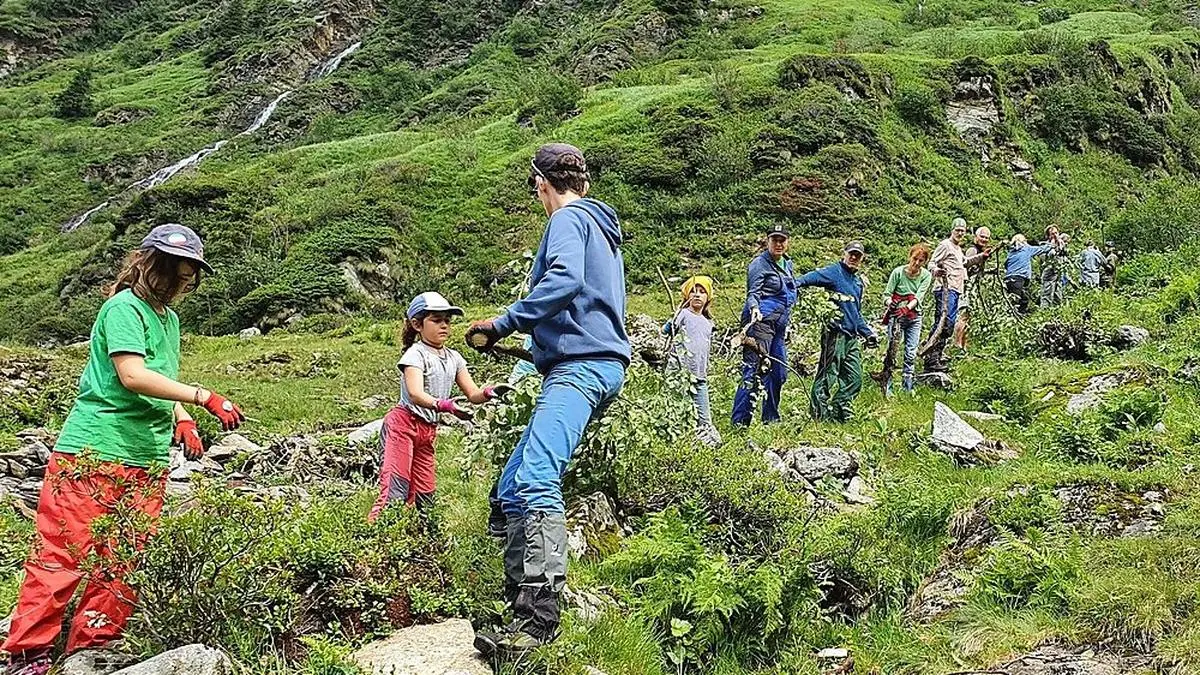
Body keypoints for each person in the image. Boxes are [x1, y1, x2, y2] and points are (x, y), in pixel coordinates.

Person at [3, 225, 246, 675]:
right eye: (177, 271)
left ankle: (93, 649)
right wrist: (203, 396)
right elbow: (132, 375)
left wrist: (184, 418)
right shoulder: (123, 308)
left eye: (189, 275)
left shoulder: (168, 320)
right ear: (151, 264)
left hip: (146, 456)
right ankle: (26, 654)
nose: (183, 283)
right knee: (64, 553)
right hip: (94, 451)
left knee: (123, 558)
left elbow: (160, 375)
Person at [468, 143, 630, 656]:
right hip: (600, 366)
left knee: (536, 479)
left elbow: (564, 281)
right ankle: (519, 600)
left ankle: (536, 626)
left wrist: (503, 323)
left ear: (541, 183)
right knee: (513, 486)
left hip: (578, 370)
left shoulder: (567, 220)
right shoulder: (602, 228)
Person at [369, 292, 509, 521]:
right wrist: (444, 405)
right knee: (396, 488)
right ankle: (375, 539)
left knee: (426, 495)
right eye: (436, 320)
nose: (444, 326)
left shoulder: (454, 358)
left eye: (447, 320)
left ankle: (426, 541)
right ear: (417, 324)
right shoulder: (415, 354)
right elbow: (415, 393)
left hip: (427, 430)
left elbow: (472, 393)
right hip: (403, 425)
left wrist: (489, 393)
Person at [798, 241, 878, 422]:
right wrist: (793, 285)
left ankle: (840, 411)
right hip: (835, 333)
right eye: (851, 254)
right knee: (827, 376)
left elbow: (855, 313)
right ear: (845, 254)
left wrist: (868, 333)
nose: (854, 258)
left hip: (851, 338)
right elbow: (810, 278)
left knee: (854, 379)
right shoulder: (834, 272)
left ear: (862, 259)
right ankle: (819, 416)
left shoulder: (857, 283)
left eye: (858, 255)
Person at [731, 223, 797, 426]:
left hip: (779, 326)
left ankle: (770, 417)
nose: (778, 243)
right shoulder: (759, 264)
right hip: (760, 323)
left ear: (787, 242)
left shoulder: (788, 264)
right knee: (754, 370)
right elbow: (753, 293)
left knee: (779, 372)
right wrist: (754, 308)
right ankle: (740, 423)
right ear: (767, 241)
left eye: (782, 240)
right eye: (774, 239)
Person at [663, 275, 720, 447]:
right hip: (679, 373)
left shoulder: (708, 323)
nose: (697, 295)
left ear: (708, 298)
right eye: (693, 291)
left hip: (699, 376)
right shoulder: (683, 314)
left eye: (702, 292)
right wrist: (672, 321)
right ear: (687, 296)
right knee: (675, 408)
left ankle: (707, 442)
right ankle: (674, 442)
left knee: (704, 415)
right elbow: (667, 330)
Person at [925, 218, 985, 372]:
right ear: (952, 230)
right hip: (945, 289)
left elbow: (965, 262)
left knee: (948, 324)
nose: (960, 233)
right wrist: (936, 271)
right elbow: (931, 263)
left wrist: (982, 257)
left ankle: (936, 356)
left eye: (962, 231)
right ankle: (931, 358)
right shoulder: (945, 245)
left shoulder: (958, 249)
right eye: (957, 230)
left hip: (956, 289)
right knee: (944, 323)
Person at [881, 243, 932, 395]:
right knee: (892, 350)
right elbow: (886, 294)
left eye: (921, 260)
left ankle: (907, 386)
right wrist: (891, 304)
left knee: (911, 352)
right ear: (910, 256)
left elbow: (919, 296)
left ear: (925, 262)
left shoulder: (926, 276)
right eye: (915, 258)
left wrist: (907, 308)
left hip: (914, 316)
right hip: (896, 316)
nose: (916, 263)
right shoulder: (898, 272)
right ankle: (887, 383)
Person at [952, 226, 993, 352]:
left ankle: (964, 345)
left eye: (986, 237)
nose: (984, 239)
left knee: (968, 316)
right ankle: (957, 344)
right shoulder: (972, 250)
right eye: (982, 236)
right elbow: (966, 266)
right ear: (976, 237)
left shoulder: (980, 251)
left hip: (972, 287)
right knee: (963, 315)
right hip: (966, 287)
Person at [1002, 234, 1053, 314]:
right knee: (1015, 302)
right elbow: (1041, 249)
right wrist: (1051, 245)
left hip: (1008, 279)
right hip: (1018, 279)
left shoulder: (1011, 252)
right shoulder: (1026, 249)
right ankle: (1015, 318)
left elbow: (1006, 264)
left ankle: (1020, 316)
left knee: (1023, 300)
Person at [1039, 225, 1070, 308]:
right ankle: (1044, 311)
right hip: (1048, 273)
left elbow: (1066, 254)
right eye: (1052, 234)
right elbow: (1043, 260)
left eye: (1056, 233)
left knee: (1058, 292)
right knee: (1047, 293)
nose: (1055, 235)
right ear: (1048, 236)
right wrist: (1051, 247)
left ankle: (1057, 310)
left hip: (1058, 272)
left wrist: (1060, 244)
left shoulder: (1061, 244)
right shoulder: (1044, 245)